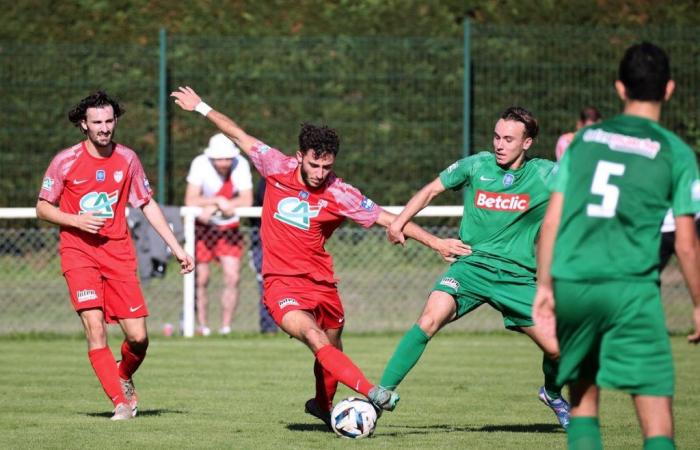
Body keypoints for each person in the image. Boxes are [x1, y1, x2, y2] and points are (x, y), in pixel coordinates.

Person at [171, 85, 471, 427]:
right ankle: (372, 392)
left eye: (327, 166)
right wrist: (200, 107)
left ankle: (323, 405)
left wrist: (435, 243)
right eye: (314, 164)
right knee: (315, 339)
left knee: (332, 347)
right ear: (300, 156)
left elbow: (390, 218)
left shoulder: (340, 193)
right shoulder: (274, 166)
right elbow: (238, 134)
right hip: (281, 284)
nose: (320, 173)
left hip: (322, 283)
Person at [533, 42, 700, 450]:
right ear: (670, 89)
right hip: (632, 290)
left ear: (620, 88)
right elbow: (686, 243)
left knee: (585, 404)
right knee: (657, 418)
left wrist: (544, 287)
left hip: (575, 284)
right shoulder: (676, 153)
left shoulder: (585, 141)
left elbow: (553, 219)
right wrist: (698, 303)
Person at [379, 106, 570, 428]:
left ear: (527, 143)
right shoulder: (476, 165)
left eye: (509, 139)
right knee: (428, 319)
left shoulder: (545, 174)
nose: (499, 144)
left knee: (560, 351)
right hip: (470, 266)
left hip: (516, 277)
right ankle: (380, 394)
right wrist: (398, 223)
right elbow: (431, 190)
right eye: (497, 136)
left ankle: (552, 393)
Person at [36, 91, 194, 421]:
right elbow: (43, 207)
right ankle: (119, 402)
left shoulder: (128, 159)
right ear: (84, 124)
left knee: (138, 338)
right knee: (95, 329)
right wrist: (76, 220)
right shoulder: (65, 161)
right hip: (78, 253)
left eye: (109, 121)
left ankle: (123, 375)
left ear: (115, 121)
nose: (104, 128)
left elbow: (146, 203)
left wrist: (176, 248)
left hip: (119, 253)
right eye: (97, 122)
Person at [185, 133, 254, 336]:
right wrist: (216, 202)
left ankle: (226, 327)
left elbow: (246, 200)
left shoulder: (240, 164)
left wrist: (225, 205)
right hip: (204, 228)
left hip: (229, 228)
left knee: (232, 277)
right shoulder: (199, 164)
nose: (223, 163)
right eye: (219, 158)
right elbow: (191, 199)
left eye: (227, 158)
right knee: (201, 278)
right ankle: (202, 326)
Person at [249, 178, 278, 334]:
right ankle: (269, 328)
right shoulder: (269, 179)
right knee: (267, 284)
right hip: (264, 240)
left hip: (287, 243)